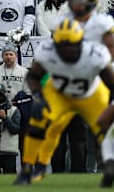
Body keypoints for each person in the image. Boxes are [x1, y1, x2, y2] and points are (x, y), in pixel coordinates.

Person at [15, 19, 114, 185]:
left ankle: (109, 166)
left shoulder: (95, 54)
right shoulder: (47, 51)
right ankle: (29, 168)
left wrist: (110, 107)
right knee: (39, 123)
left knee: (104, 130)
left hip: (90, 95)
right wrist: (38, 97)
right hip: (60, 94)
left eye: (72, 44)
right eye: (62, 45)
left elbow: (111, 83)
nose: (67, 49)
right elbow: (33, 76)